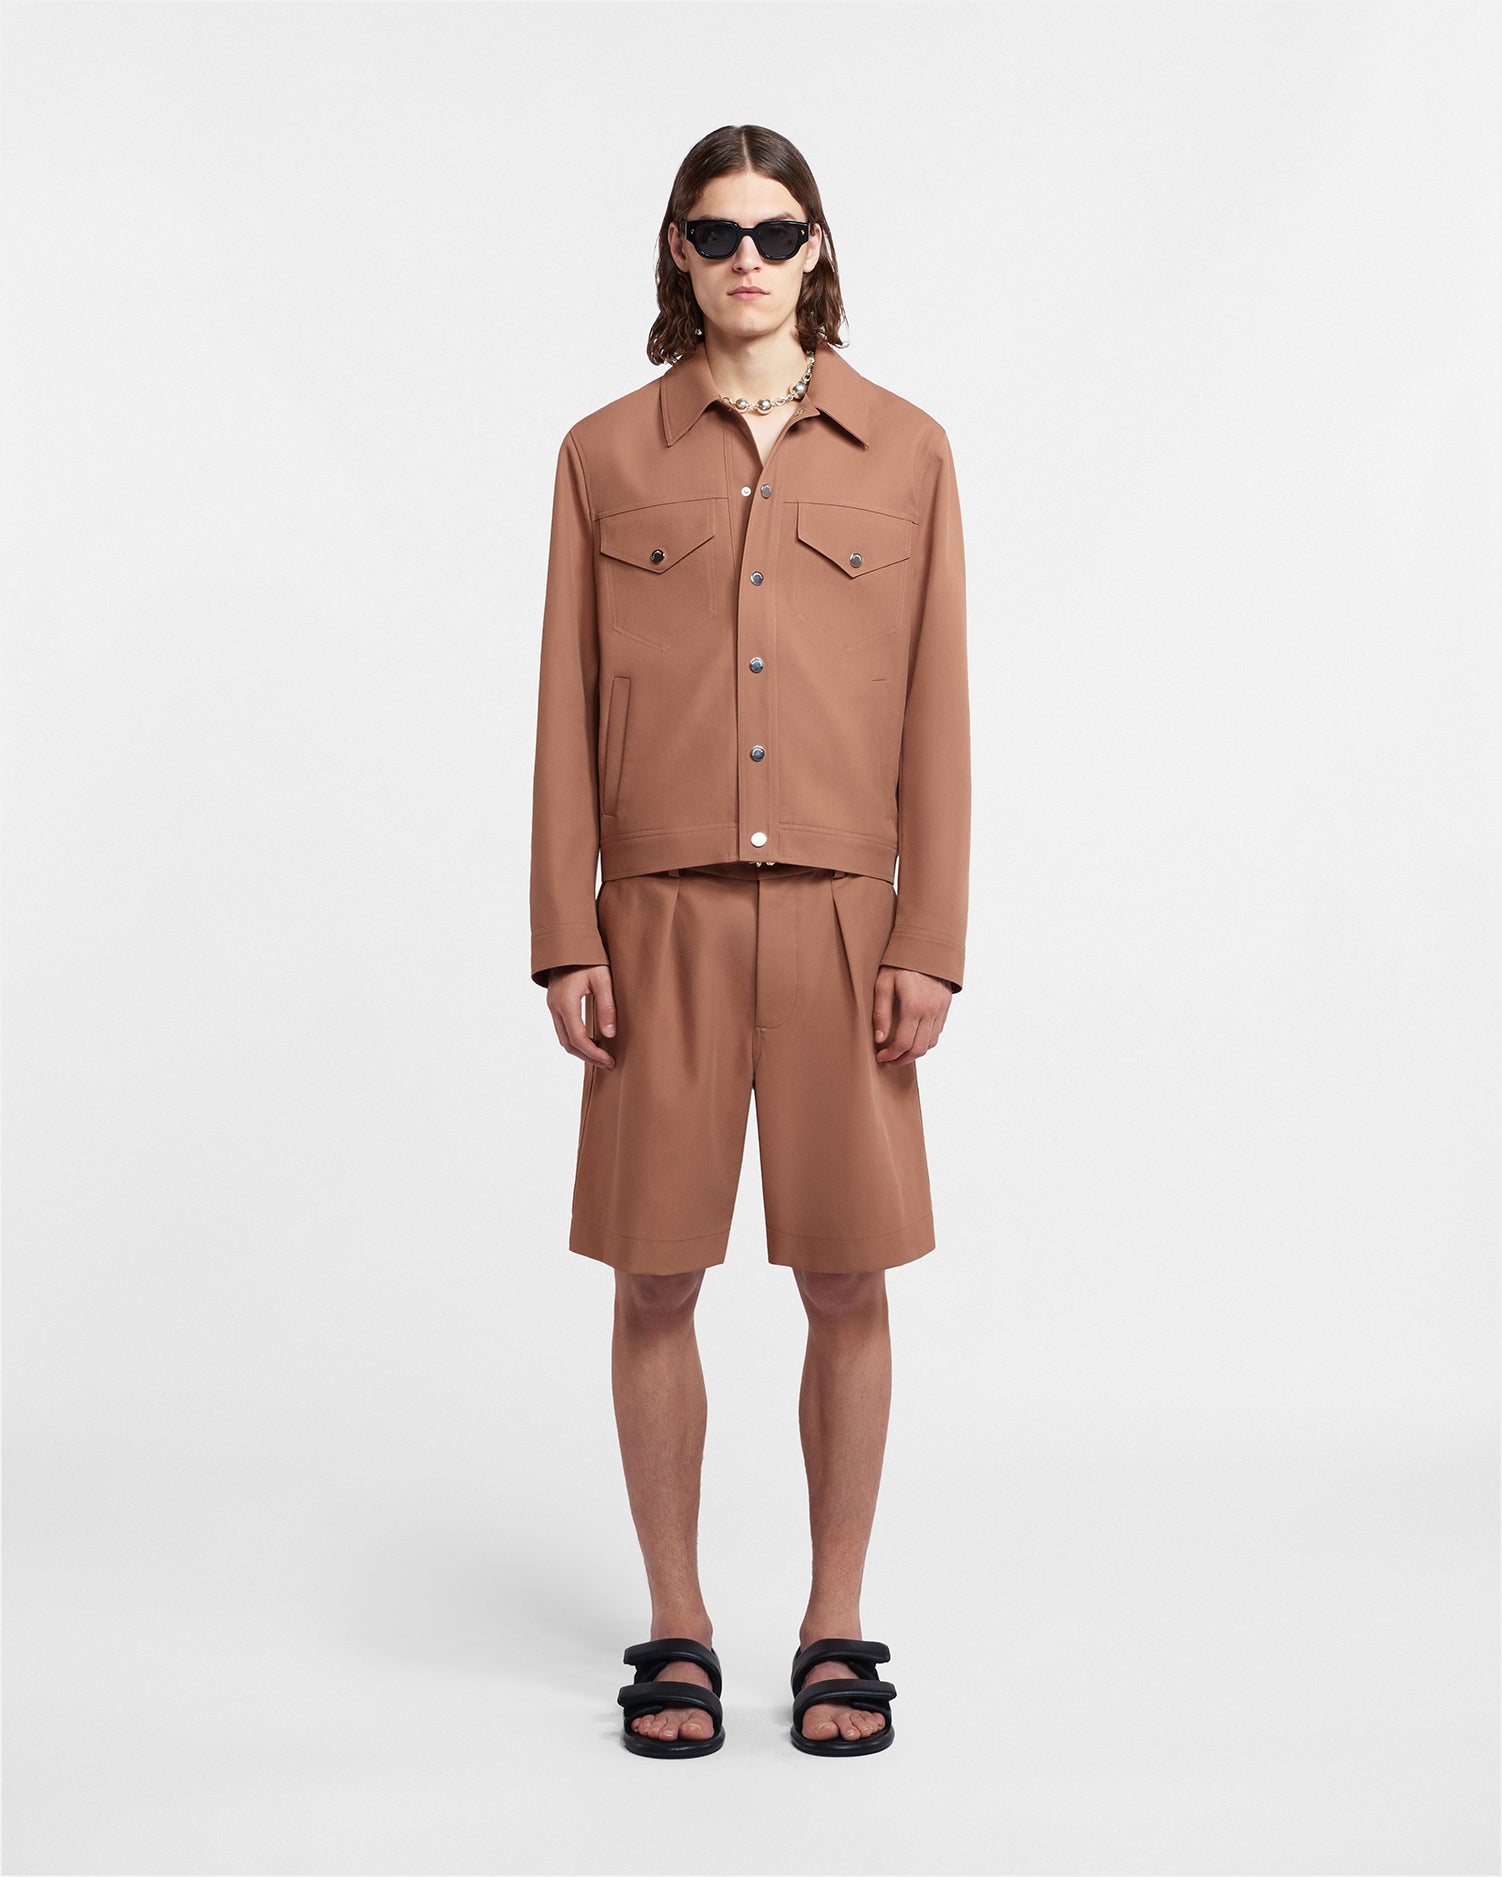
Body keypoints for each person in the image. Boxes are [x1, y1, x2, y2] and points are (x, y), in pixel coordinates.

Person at [528, 124, 970, 1758]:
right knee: (656, 1273)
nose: (746, 261)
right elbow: (561, 703)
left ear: (814, 248)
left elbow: (938, 708)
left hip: (848, 919)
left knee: (845, 1272)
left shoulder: (907, 450)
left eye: (775, 233)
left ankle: (834, 1618)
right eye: (716, 233)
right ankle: (677, 1622)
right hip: (657, 917)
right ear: (677, 251)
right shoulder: (603, 453)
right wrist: (560, 930)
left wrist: (930, 934)